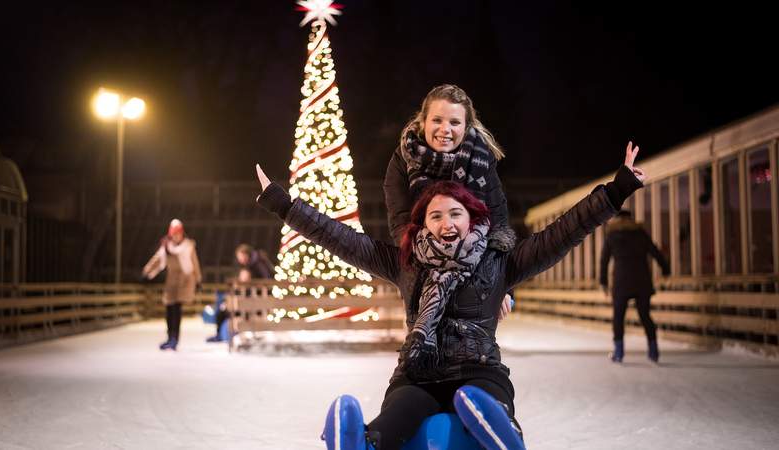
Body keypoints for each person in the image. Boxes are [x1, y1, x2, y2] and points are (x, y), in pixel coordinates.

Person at [255, 141, 645, 450]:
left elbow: (561, 234)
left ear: (472, 218)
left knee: (481, 403)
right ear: (423, 224)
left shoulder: (499, 262)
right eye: (435, 216)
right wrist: (283, 205)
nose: (446, 223)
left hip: (479, 371)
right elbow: (340, 239)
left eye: (455, 213)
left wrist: (616, 191)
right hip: (418, 376)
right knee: (399, 415)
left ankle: (504, 437)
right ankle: (364, 443)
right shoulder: (406, 263)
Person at [383, 84, 516, 317]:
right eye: (437, 120)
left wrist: (502, 287)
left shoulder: (480, 158)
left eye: (454, 123)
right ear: (423, 121)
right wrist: (415, 280)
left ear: (466, 127)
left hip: (475, 272)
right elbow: (401, 224)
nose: (445, 129)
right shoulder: (403, 159)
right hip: (424, 270)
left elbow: (498, 226)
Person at [599, 209, 670, 363]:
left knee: (619, 317)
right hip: (641, 280)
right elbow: (655, 251)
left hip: (621, 281)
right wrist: (666, 269)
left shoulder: (612, 235)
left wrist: (603, 282)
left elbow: (604, 260)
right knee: (645, 315)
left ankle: (619, 352)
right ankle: (653, 351)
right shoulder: (640, 233)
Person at [142, 219, 202, 351]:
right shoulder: (166, 246)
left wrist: (198, 280)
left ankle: (175, 338)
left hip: (185, 281)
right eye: (174, 234)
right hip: (171, 282)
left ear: (182, 234)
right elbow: (157, 259)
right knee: (169, 310)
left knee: (176, 310)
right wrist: (147, 271)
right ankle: (169, 338)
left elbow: (195, 263)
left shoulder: (188, 246)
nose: (176, 236)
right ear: (170, 234)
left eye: (178, 233)